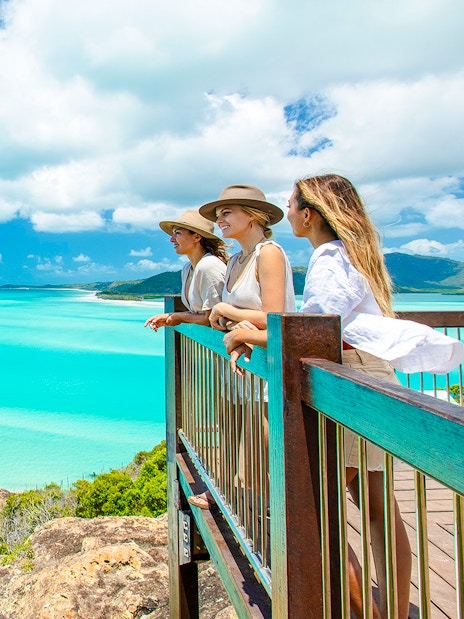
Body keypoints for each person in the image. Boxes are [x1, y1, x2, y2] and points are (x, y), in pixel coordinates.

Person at [187, 184, 296, 509]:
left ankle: (278, 538)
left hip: (264, 371)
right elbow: (229, 319)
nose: (220, 220)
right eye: (218, 214)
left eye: (227, 213)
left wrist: (229, 313)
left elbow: (277, 318)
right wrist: (231, 321)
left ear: (252, 215)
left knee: (260, 464)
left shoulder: (269, 254)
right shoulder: (235, 261)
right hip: (241, 368)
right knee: (243, 454)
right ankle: (235, 502)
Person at [144, 210, 227, 332]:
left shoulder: (208, 266)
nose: (172, 239)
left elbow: (212, 317)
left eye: (177, 233)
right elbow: (200, 313)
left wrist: (178, 317)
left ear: (197, 237)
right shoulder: (188, 268)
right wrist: (170, 316)